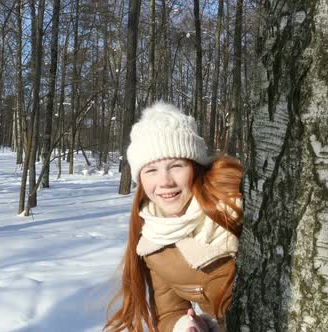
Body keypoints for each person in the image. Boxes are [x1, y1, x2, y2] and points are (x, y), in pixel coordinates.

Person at [104, 102, 243, 332]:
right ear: (140, 180)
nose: (165, 181)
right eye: (151, 170)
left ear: (195, 167)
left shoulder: (233, 204)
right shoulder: (153, 243)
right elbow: (169, 312)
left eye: (176, 166)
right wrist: (187, 326)